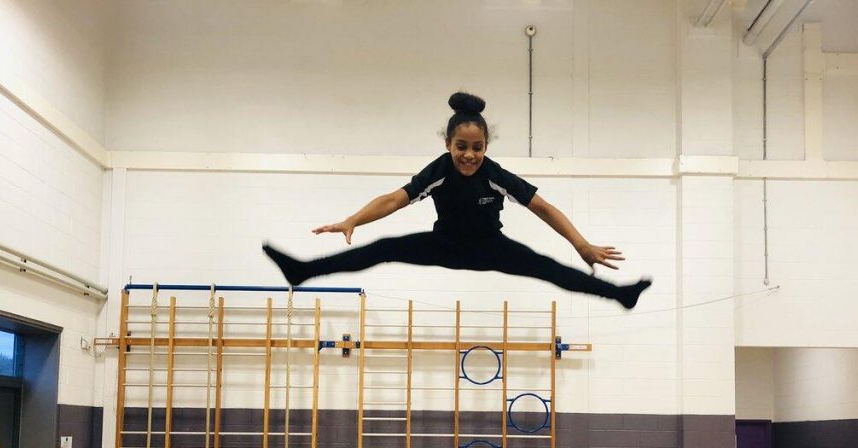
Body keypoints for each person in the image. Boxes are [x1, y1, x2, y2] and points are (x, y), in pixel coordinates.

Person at [263, 92, 651, 308]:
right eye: (461, 147)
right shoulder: (440, 170)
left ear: (486, 146)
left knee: (548, 268)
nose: (469, 155)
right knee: (382, 248)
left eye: (477, 147)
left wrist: (580, 244)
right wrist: (353, 221)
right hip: (443, 245)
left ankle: (620, 295)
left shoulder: (494, 174)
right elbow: (394, 200)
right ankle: (303, 272)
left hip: (490, 248)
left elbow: (544, 208)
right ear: (448, 145)